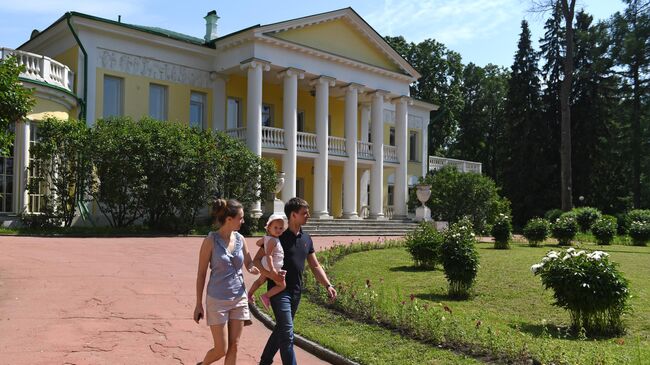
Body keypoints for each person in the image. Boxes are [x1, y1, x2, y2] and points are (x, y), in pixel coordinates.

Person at [254, 197, 337, 365]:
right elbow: (256, 261)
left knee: (282, 330)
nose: (308, 216)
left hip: (296, 292)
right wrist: (271, 276)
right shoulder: (277, 236)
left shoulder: (306, 238)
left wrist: (328, 284)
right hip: (279, 291)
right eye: (304, 213)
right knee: (287, 334)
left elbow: (314, 265)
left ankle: (265, 361)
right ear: (293, 215)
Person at [194, 199, 260, 365]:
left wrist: (252, 267)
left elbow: (249, 262)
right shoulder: (211, 241)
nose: (243, 221)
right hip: (217, 300)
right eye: (241, 218)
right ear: (229, 219)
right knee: (221, 349)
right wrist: (198, 304)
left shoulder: (240, 239)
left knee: (234, 346)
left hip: (239, 298)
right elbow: (201, 274)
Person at [247, 214, 288, 309]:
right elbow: (269, 255)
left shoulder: (268, 238)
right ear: (269, 228)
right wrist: (273, 269)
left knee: (260, 280)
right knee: (282, 285)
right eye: (275, 227)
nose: (278, 230)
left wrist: (264, 240)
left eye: (280, 228)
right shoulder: (273, 240)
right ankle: (266, 296)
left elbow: (257, 243)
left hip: (267, 265)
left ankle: (249, 294)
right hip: (270, 265)